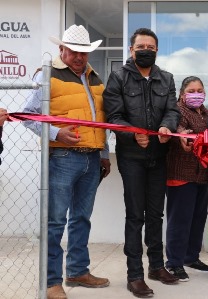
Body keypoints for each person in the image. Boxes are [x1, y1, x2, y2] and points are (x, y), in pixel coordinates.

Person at [22, 25, 111, 299]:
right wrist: (56, 133)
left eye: (83, 52)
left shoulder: (96, 80)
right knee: (56, 222)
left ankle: (77, 270)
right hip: (62, 158)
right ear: (62, 50)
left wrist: (105, 154)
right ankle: (51, 282)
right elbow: (28, 114)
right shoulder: (48, 76)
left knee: (81, 218)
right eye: (73, 51)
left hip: (92, 159)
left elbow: (100, 121)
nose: (79, 56)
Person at [103, 28, 181, 298]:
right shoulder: (118, 78)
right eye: (141, 46)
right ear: (131, 49)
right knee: (135, 216)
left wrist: (166, 127)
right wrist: (133, 134)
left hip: (159, 155)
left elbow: (173, 110)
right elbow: (113, 116)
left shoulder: (166, 78)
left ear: (157, 50)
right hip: (132, 157)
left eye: (151, 46)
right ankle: (134, 274)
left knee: (156, 213)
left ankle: (157, 267)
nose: (146, 50)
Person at [165, 76, 208, 282]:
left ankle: (191, 257)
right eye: (191, 91)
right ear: (183, 94)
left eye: (199, 90)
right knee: (179, 220)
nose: (196, 94)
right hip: (180, 174)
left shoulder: (206, 113)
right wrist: (181, 133)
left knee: (197, 218)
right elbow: (177, 127)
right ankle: (174, 263)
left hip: (201, 174)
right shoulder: (177, 110)